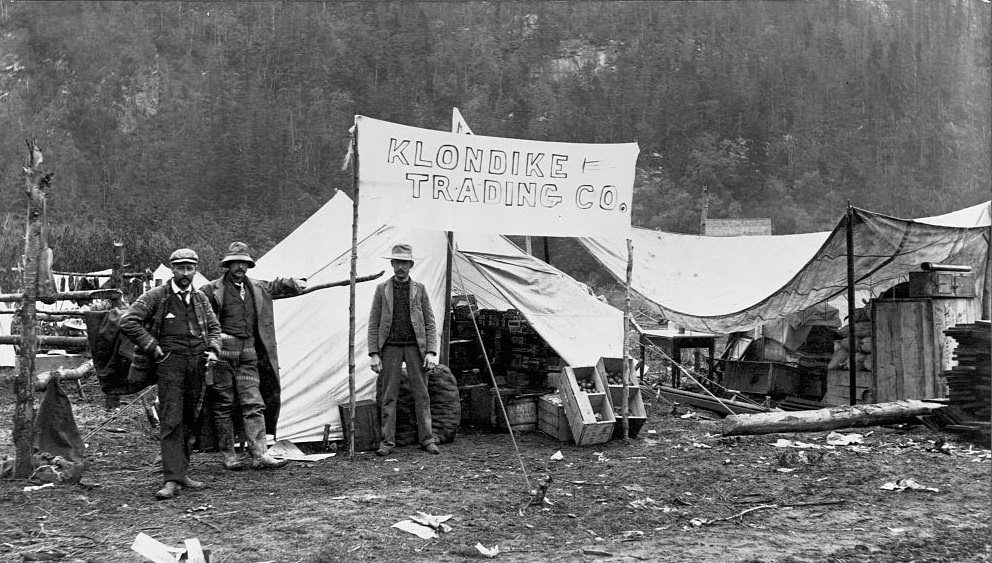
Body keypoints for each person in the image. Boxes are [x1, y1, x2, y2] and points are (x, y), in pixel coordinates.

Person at [119, 248, 221, 500]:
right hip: (170, 365)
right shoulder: (157, 296)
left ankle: (182, 473)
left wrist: (214, 349)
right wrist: (153, 346)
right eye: (180, 268)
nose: (185, 274)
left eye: (190, 268)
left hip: (197, 363)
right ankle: (171, 479)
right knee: (171, 420)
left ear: (196, 270)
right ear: (172, 269)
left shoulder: (200, 299)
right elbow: (128, 321)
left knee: (190, 419)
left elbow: (215, 328)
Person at [200, 242, 305, 470]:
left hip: (249, 353)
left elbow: (277, 285)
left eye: (244, 263)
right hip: (222, 354)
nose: (240, 267)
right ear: (227, 265)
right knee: (224, 404)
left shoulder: (257, 288)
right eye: (235, 263)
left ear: (249, 265)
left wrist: (294, 282)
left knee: (253, 402)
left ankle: (260, 454)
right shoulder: (210, 290)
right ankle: (228, 455)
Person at [368, 243, 440, 456]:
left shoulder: (420, 289)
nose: (400, 267)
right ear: (392, 264)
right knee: (389, 395)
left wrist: (431, 351)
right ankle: (387, 442)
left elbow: (430, 322)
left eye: (404, 263)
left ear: (411, 265)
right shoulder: (382, 289)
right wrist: (374, 353)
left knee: (422, 395)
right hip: (390, 347)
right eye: (397, 262)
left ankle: (427, 439)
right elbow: (373, 323)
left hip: (416, 348)